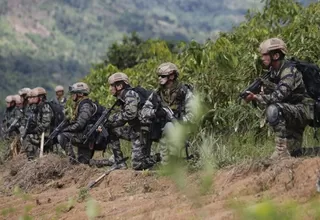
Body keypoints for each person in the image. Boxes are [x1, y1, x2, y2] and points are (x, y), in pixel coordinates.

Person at [245, 37, 314, 161]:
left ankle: (280, 151)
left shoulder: (289, 71)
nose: (262, 58)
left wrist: (256, 97)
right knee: (295, 154)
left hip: (302, 110)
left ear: (275, 55)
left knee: (273, 109)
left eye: (265, 55)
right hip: (293, 109)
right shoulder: (274, 71)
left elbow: (278, 96)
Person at [140, 62, 194, 165]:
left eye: (163, 76)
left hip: (180, 126)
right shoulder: (157, 93)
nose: (159, 78)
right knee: (144, 126)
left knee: (169, 127)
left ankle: (170, 162)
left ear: (172, 76)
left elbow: (193, 114)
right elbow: (144, 111)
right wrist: (155, 112)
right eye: (159, 76)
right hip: (161, 125)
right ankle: (145, 159)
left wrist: (181, 120)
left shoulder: (184, 91)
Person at [96, 72, 151, 170]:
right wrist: (108, 124)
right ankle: (119, 162)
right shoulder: (122, 97)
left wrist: (112, 118)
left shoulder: (130, 94)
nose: (110, 89)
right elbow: (122, 120)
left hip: (143, 131)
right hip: (135, 130)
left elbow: (130, 114)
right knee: (111, 130)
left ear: (119, 85)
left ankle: (159, 157)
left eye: (112, 86)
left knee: (137, 165)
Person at [57, 82, 95, 164]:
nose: (72, 96)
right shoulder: (80, 104)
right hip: (85, 136)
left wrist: (66, 129)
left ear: (80, 94)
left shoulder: (85, 105)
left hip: (86, 137)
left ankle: (72, 161)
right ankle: (110, 162)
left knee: (62, 136)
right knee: (83, 163)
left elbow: (80, 125)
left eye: (74, 93)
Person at [21, 87, 54, 160]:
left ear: (40, 97)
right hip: (40, 133)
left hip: (46, 135)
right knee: (27, 136)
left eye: (34, 97)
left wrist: (35, 130)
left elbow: (45, 124)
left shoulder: (45, 107)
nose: (31, 98)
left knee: (28, 138)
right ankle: (32, 157)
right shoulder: (37, 107)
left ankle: (32, 158)